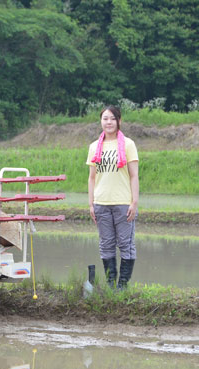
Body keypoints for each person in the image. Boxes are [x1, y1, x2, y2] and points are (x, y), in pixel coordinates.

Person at [87, 105, 139, 289]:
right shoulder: (94, 147)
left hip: (123, 203)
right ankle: (110, 285)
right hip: (101, 203)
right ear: (101, 121)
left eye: (112, 118)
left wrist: (134, 202)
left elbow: (134, 175)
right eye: (105, 118)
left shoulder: (128, 144)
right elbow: (92, 177)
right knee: (106, 245)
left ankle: (122, 286)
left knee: (126, 244)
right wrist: (91, 204)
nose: (108, 122)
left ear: (118, 121)